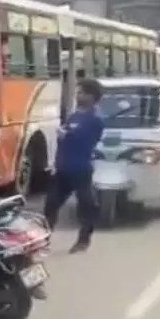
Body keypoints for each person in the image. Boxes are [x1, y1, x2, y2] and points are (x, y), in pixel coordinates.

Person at [44, 79, 105, 254]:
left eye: (82, 93)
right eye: (78, 92)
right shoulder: (74, 115)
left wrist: (67, 134)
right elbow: (63, 137)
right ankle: (43, 240)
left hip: (81, 169)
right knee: (51, 205)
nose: (78, 95)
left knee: (86, 205)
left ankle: (83, 240)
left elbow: (84, 138)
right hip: (63, 169)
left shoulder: (96, 119)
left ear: (92, 97)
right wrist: (56, 162)